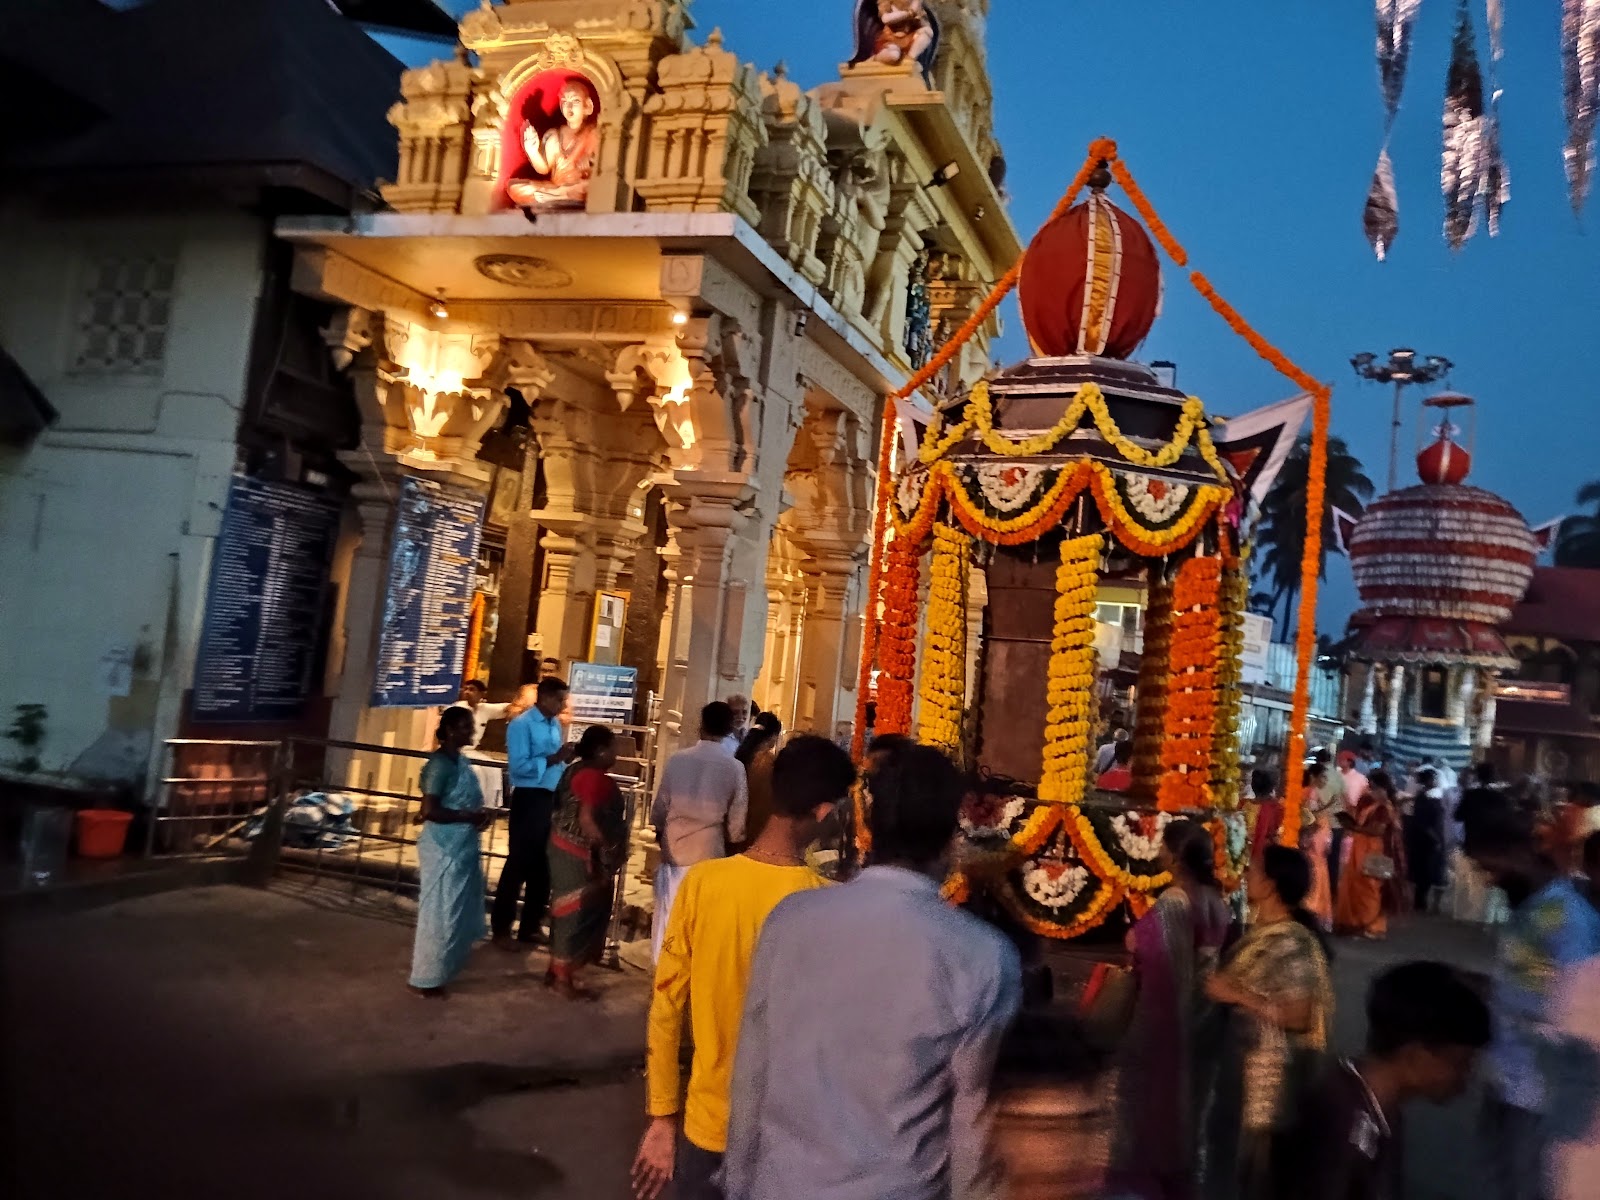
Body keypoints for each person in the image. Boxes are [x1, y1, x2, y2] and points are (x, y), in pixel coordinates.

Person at [721, 743, 1022, 1200]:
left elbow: (751, 1074)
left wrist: (738, 1182)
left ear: (869, 826)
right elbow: (972, 1128)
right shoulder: (981, 955)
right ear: (950, 839)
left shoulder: (791, 920)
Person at [631, 736, 855, 1200]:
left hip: (707, 1124)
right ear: (823, 812)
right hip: (791, 1134)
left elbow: (666, 1007)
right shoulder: (827, 902)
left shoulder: (704, 884)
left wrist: (661, 1117)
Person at [1464, 803, 1600, 1200]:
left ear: (1517, 852)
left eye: (1489, 867)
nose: (1487, 881)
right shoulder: (1531, 907)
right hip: (1506, 1074)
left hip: (1545, 1090)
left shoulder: (1567, 915)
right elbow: (1525, 981)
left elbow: (1582, 1005)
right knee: (1500, 1179)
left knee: (1529, 1186)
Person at [1277, 962, 1491, 1200]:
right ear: (1414, 1057)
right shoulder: (1349, 1131)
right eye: (1461, 1063)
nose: (1468, 1077)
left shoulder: (1373, 1102)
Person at [1109, 820, 1231, 1200]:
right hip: (1205, 1016)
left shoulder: (1175, 901)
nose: (1160, 852)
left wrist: (1136, 936)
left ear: (1177, 856)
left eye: (1164, 846)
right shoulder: (1217, 901)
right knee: (1192, 1103)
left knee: (1150, 1102)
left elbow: (1151, 952)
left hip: (1173, 1015)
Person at [1204, 845, 1334, 1200]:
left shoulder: (1292, 941)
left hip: (1270, 1072)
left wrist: (1237, 995)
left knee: (1257, 1169)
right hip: (1244, 1060)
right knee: (1233, 1156)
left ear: (1273, 884)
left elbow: (1299, 1014)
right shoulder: (1267, 930)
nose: (1248, 875)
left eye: (1255, 871)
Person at [650, 702, 748, 962]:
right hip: (709, 850)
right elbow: (737, 822)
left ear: (700, 725)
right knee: (701, 919)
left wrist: (660, 829)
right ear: (729, 729)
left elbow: (660, 806)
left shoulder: (678, 760)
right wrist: (734, 842)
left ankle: (663, 974)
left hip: (675, 846)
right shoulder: (734, 767)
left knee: (669, 915)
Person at [408, 708, 492, 997]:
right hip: (444, 848)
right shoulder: (440, 765)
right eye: (467, 726)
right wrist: (469, 817)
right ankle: (426, 977)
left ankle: (444, 967)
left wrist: (478, 816)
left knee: (454, 912)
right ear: (453, 730)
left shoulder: (461, 762)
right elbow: (430, 810)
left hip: (462, 846)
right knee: (438, 914)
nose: (472, 731)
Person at [545, 725, 628, 1001]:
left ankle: (555, 970)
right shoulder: (591, 777)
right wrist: (608, 846)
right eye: (614, 747)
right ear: (602, 750)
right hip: (578, 853)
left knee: (564, 910)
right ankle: (562, 979)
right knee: (576, 914)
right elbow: (587, 819)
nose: (617, 752)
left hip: (562, 846)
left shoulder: (575, 769)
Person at [493, 676, 573, 950]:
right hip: (529, 798)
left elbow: (554, 762)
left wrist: (563, 762)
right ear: (546, 697)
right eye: (560, 700)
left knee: (543, 867)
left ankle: (530, 926)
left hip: (550, 797)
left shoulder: (553, 724)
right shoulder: (521, 725)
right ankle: (501, 928)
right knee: (518, 863)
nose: (563, 705)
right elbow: (519, 767)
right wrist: (555, 758)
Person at [1333, 770, 1406, 940]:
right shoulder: (1367, 800)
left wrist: (1355, 828)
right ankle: (1355, 922)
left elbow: (1378, 830)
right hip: (1360, 845)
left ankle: (1372, 925)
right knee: (1353, 882)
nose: (1368, 787)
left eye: (1370, 784)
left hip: (1374, 848)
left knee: (1370, 885)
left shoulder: (1385, 805)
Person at [507, 78, 599, 208]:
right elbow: (544, 169)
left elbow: (602, 162)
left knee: (592, 186)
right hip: (555, 185)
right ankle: (557, 195)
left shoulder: (593, 133)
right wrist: (532, 151)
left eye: (575, 101)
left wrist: (591, 165)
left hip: (580, 185)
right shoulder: (554, 134)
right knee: (515, 187)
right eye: (565, 102)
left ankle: (559, 195)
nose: (569, 106)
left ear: (587, 106)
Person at [733, 712, 783, 849]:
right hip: (755, 827)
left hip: (735, 825)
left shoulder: (741, 753)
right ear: (773, 736)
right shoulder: (766, 761)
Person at [1405, 767, 1447, 913]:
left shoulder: (1424, 796)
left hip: (1424, 838)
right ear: (1429, 780)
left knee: (1422, 870)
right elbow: (1424, 822)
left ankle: (1420, 901)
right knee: (1424, 870)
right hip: (1425, 839)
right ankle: (1420, 901)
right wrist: (1436, 839)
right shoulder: (1424, 798)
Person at [1301, 765, 1335, 931]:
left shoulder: (1312, 792)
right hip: (1315, 835)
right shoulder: (1310, 793)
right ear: (1314, 777)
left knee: (1318, 870)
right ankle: (1312, 911)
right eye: (1323, 777)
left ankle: (1314, 912)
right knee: (1315, 871)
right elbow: (1309, 819)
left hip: (1319, 834)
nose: (1325, 781)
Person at [1331, 752, 1368, 896]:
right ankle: (1334, 887)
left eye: (1342, 760)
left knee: (1346, 855)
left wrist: (1354, 822)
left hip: (1350, 820)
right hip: (1334, 817)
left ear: (1350, 761)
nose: (1339, 761)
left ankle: (1344, 888)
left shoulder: (1360, 779)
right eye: (1339, 759)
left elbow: (1361, 802)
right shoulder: (1336, 776)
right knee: (1335, 853)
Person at [1250, 769, 1284, 862]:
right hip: (1268, 856)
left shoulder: (1243, 805)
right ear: (1272, 787)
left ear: (1252, 786)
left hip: (1246, 854)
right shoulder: (1278, 807)